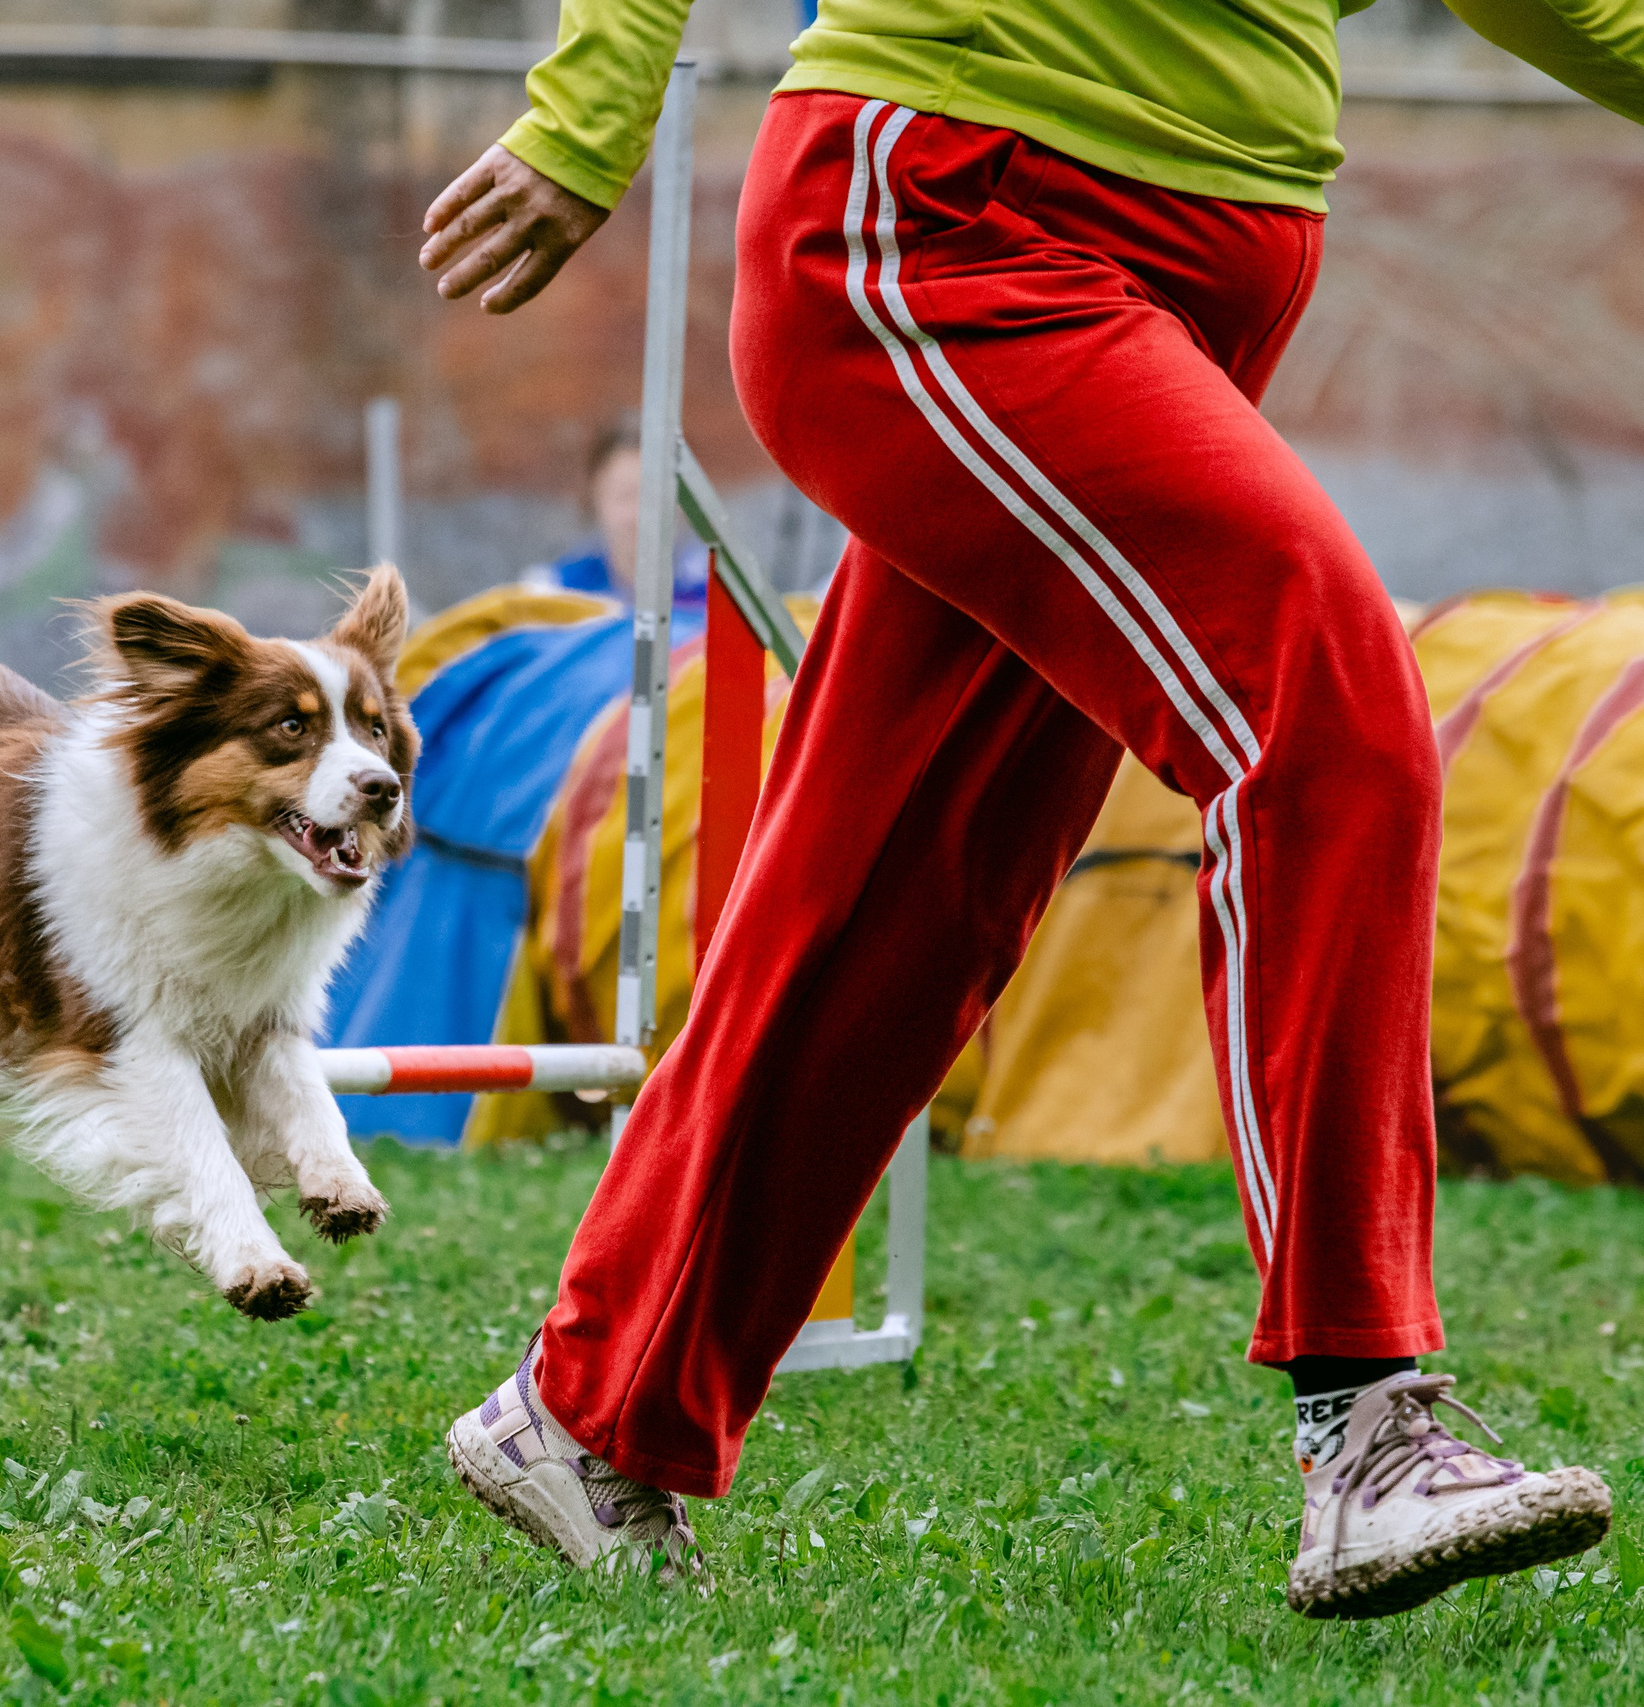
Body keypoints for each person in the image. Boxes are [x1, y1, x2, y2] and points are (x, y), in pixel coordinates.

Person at [418, 0, 1642, 1616]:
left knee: (902, 887)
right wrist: (587, 118)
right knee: (1322, 709)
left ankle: (588, 1412)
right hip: (948, 223)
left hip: (1191, 281)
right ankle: (1366, 1427)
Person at [522, 414, 706, 607]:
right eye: (624, 496)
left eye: (655, 497)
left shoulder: (717, 596)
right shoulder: (553, 594)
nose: (639, 515)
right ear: (594, 498)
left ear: (684, 501)